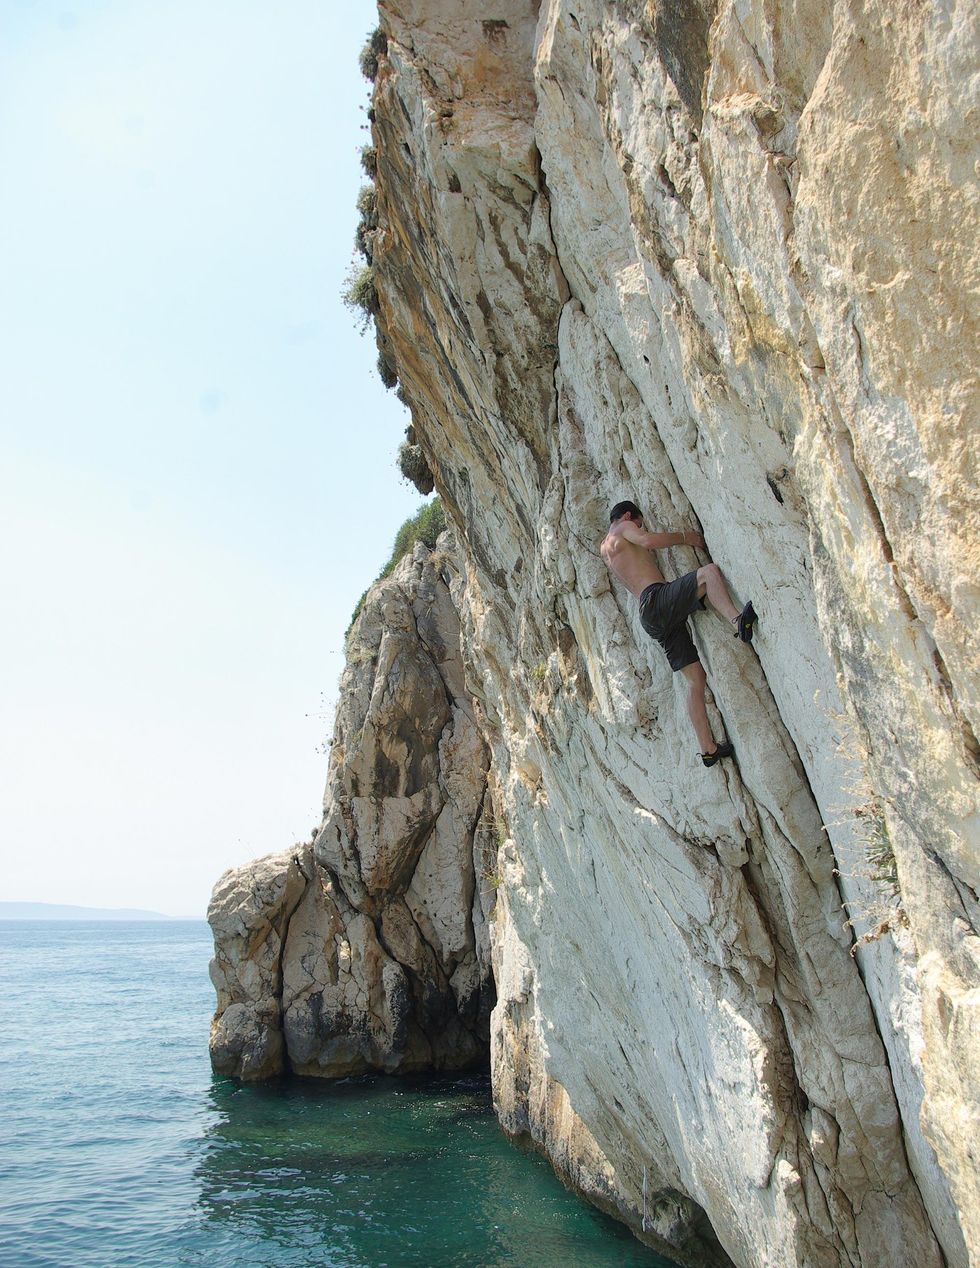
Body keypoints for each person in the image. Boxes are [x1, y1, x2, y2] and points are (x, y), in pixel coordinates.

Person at [600, 499, 756, 767]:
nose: (638, 527)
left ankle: (708, 749)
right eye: (638, 522)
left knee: (695, 680)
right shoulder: (624, 527)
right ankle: (737, 621)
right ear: (627, 515)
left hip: (648, 616)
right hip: (657, 598)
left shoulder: (606, 548)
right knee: (708, 574)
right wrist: (687, 537)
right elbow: (647, 542)